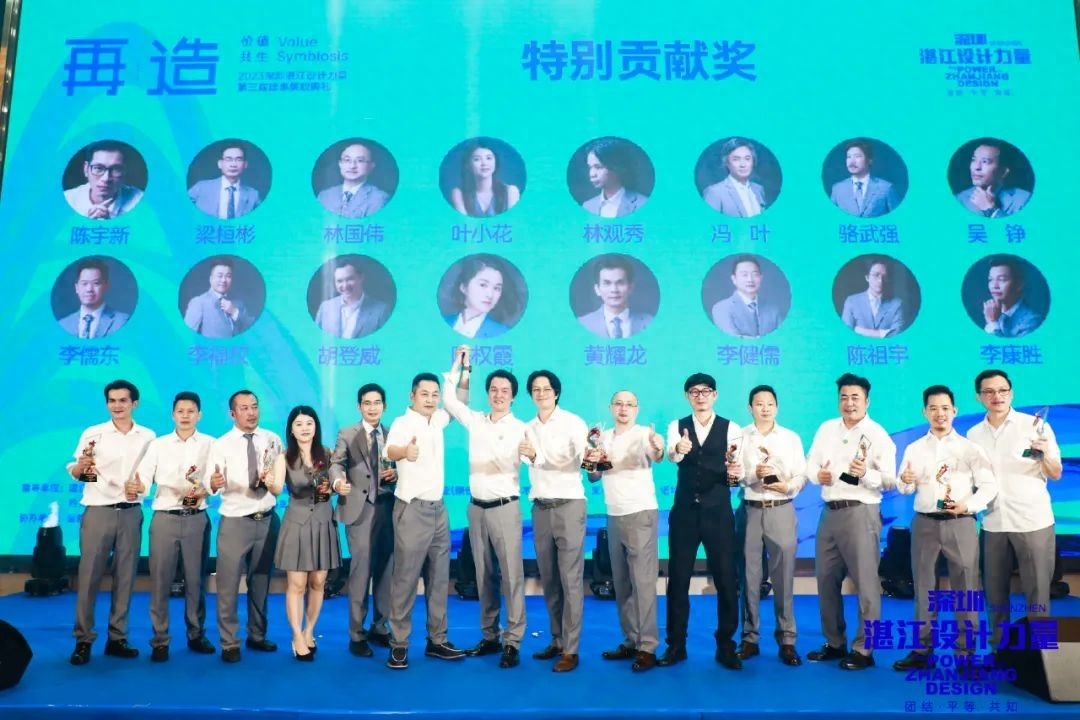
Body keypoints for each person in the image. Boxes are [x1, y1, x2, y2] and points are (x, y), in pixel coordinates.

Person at [892, 385, 996, 671]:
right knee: (924, 589)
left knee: (966, 590)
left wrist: (968, 506)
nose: (940, 413)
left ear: (955, 411)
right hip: (924, 524)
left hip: (960, 523)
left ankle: (966, 654)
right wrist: (906, 481)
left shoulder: (970, 448)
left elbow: (989, 486)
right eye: (933, 408)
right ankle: (922, 651)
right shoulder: (914, 448)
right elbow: (904, 487)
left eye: (945, 408)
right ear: (925, 412)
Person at [441, 346, 527, 669]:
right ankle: (490, 636)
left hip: (505, 508)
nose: (498, 395)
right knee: (484, 574)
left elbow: (537, 459)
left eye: (505, 391)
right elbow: (450, 401)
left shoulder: (522, 428)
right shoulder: (476, 420)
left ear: (513, 397)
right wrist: (459, 367)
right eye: (493, 389)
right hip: (476, 509)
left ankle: (513, 641)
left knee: (511, 576)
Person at [805, 372, 896, 670]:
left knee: (866, 584)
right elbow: (810, 464)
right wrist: (817, 475)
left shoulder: (878, 435)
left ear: (867, 401)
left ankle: (864, 650)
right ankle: (834, 642)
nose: (849, 403)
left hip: (861, 512)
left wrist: (864, 474)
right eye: (844, 397)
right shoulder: (826, 429)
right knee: (825, 580)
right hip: (829, 512)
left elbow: (890, 480)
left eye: (855, 397)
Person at [967, 370, 1062, 652]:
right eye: (989, 391)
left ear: (1011, 393)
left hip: (1033, 521)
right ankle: (999, 651)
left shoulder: (1035, 426)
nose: (996, 396)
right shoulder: (973, 435)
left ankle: (1043, 655)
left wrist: (1043, 455)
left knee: (1038, 594)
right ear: (979, 396)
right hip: (993, 523)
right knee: (995, 595)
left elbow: (1055, 472)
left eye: (1002, 390)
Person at [657, 372, 742, 670]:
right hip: (684, 514)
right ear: (687, 397)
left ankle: (726, 646)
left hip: (718, 512)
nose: (700, 396)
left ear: (715, 395)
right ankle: (676, 645)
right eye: (694, 391)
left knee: (726, 579)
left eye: (706, 391)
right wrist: (678, 450)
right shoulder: (677, 426)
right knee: (678, 581)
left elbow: (738, 468)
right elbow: (673, 455)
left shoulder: (731, 427)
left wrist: (737, 473)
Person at [68, 379, 156, 666]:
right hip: (98, 511)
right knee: (89, 577)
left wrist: (141, 488)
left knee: (126, 576)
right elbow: (78, 470)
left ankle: (117, 638)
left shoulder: (148, 436)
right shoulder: (93, 433)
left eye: (123, 400)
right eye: (112, 401)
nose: (117, 406)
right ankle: (83, 640)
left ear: (134, 404)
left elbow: (150, 475)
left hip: (131, 512)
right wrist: (81, 468)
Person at [383, 373, 467, 669]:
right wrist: (405, 452)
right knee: (405, 580)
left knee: (439, 578)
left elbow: (461, 402)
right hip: (412, 509)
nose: (430, 399)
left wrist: (464, 371)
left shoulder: (438, 419)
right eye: (424, 394)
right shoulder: (402, 423)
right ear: (412, 395)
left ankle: (437, 640)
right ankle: (399, 644)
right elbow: (390, 450)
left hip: (438, 510)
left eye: (435, 394)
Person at [587, 390, 664, 673]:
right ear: (611, 408)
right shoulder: (602, 437)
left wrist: (658, 447)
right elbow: (593, 476)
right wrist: (592, 457)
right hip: (614, 514)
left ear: (637, 409)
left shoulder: (644, 434)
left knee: (643, 583)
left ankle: (648, 646)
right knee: (621, 584)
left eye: (629, 404)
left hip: (640, 513)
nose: (623, 408)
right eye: (618, 404)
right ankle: (631, 639)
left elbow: (657, 455)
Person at [137, 391, 215, 662]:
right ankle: (160, 640)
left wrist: (207, 489)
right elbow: (144, 478)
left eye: (190, 411)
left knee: (195, 580)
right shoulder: (158, 445)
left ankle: (196, 634)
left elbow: (217, 479)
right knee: (160, 581)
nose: (185, 416)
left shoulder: (211, 444)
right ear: (172, 414)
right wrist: (138, 487)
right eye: (180, 411)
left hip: (196, 518)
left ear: (199, 415)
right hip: (165, 518)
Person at [730, 385, 806, 666]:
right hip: (750, 510)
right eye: (759, 403)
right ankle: (749, 638)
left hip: (781, 509)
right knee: (749, 577)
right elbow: (733, 475)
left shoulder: (790, 438)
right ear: (749, 407)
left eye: (770, 403)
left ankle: (787, 640)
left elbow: (801, 475)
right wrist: (753, 474)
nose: (765, 408)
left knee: (784, 577)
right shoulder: (739, 437)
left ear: (777, 407)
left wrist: (788, 486)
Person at [206, 390, 283, 662]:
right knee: (227, 585)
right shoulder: (221, 444)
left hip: (267, 520)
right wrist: (213, 483)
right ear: (232, 413)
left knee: (261, 581)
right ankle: (229, 642)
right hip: (235, 522)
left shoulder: (273, 439)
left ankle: (257, 635)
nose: (251, 412)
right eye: (244, 408)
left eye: (254, 406)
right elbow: (211, 483)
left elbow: (280, 477)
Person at [519, 369, 588, 672]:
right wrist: (531, 456)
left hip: (569, 505)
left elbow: (578, 461)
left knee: (570, 579)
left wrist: (538, 456)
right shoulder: (527, 427)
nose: (541, 393)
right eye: (535, 389)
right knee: (549, 579)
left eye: (546, 389)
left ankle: (571, 650)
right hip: (541, 508)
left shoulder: (573, 423)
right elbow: (526, 459)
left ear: (556, 393)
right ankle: (557, 639)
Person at [267, 405, 342, 661]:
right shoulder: (284, 458)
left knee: (318, 582)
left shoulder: (328, 454)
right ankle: (297, 635)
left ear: (316, 427)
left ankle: (310, 631)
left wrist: (337, 488)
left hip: (323, 522)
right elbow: (277, 488)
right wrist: (270, 483)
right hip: (296, 525)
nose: (304, 428)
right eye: (299, 424)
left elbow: (336, 484)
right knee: (297, 585)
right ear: (291, 429)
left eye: (309, 423)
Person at [330, 383, 398, 657]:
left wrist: (397, 474)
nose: (372, 408)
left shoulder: (393, 434)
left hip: (389, 509)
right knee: (361, 572)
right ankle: (356, 634)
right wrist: (338, 481)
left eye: (377, 402)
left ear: (384, 406)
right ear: (359, 406)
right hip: (360, 511)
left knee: (386, 571)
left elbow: (404, 466)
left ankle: (380, 627)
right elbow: (337, 463)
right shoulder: (348, 433)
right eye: (367, 403)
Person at [443, 255, 519, 339]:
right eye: (483, 285)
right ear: (463, 287)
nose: (490, 295)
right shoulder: (444, 323)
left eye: (497, 288)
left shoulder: (503, 333)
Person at [63, 141, 144, 219]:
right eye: (98, 168)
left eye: (116, 169)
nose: (106, 179)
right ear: (86, 169)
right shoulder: (68, 199)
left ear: (125, 171)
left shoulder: (140, 201)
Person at [576, 256, 653, 339]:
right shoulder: (583, 323)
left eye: (620, 283)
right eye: (607, 283)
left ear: (630, 288)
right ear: (597, 289)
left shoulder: (649, 322)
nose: (614, 290)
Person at [314, 259, 391, 339]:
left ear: (361, 278)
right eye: (339, 281)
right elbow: (315, 339)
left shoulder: (381, 311)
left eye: (349, 279)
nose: (345, 286)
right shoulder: (325, 307)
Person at [710, 255, 784, 338]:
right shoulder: (722, 308)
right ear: (734, 279)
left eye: (755, 274)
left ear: (761, 278)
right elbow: (733, 340)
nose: (750, 279)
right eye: (744, 275)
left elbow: (782, 339)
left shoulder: (773, 310)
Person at [955, 139, 1031, 218]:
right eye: (974, 160)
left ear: (1003, 172)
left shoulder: (1023, 199)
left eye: (985, 161)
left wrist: (991, 210)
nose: (976, 167)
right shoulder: (959, 199)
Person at [188, 141, 261, 219]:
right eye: (228, 159)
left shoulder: (253, 195)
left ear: (245, 164)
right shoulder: (200, 188)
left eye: (238, 159)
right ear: (220, 164)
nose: (233, 164)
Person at [183, 258, 255, 338]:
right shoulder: (199, 302)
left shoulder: (238, 304)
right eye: (219, 276)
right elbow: (187, 336)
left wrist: (234, 312)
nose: (223, 280)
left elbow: (254, 331)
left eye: (228, 276)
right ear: (211, 279)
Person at [58, 259, 129, 339]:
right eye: (84, 283)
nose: (89, 289)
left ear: (106, 286)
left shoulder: (122, 321)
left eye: (96, 283)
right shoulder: (64, 324)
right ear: (77, 288)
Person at [829, 139, 900, 218]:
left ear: (869, 160)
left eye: (857, 156)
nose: (852, 161)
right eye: (849, 157)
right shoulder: (837, 189)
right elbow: (831, 219)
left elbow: (898, 219)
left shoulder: (886, 188)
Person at [316, 142, 391, 217]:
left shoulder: (379, 198)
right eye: (347, 160)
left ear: (371, 165)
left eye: (360, 160)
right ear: (340, 164)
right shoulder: (324, 195)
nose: (352, 166)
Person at [450, 142, 520, 217]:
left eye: (489, 158)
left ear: (495, 162)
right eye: (477, 159)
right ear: (468, 165)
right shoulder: (458, 193)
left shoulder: (510, 191)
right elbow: (464, 222)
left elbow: (512, 221)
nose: (484, 163)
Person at [581, 138, 648, 217]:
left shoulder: (642, 204)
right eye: (590, 167)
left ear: (616, 167)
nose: (592, 174)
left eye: (598, 167)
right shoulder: (588, 206)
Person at [980, 256, 1044, 338]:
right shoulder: (992, 313)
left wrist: (992, 323)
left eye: (1002, 279)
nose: (994, 286)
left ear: (1019, 284)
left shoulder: (1032, 321)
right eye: (990, 280)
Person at [841, 257, 905, 338]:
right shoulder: (851, 301)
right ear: (867, 277)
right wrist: (883, 333)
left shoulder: (897, 303)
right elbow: (845, 335)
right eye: (876, 275)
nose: (880, 280)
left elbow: (897, 334)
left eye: (884, 276)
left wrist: (860, 331)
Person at [702, 138, 767, 217]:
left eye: (747, 159)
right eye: (736, 159)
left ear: (753, 161)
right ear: (727, 163)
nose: (743, 164)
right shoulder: (715, 192)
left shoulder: (758, 189)